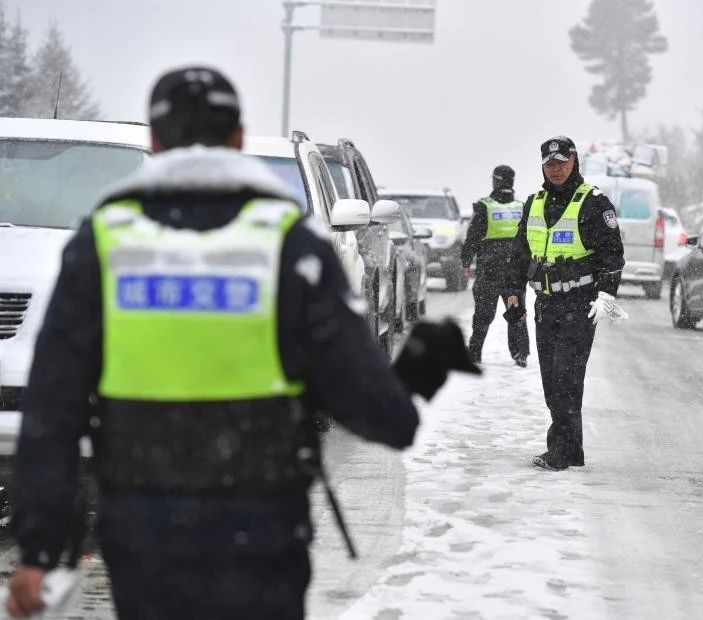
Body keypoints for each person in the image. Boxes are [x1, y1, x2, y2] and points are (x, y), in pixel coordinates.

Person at [6, 66, 476, 619]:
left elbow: (51, 410)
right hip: (260, 530)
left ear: (155, 143)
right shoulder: (291, 248)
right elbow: (382, 415)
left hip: (144, 528)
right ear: (237, 140)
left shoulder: (104, 245)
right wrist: (419, 362)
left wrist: (38, 552)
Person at [506, 136, 626, 471]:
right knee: (551, 382)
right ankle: (573, 450)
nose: (556, 169)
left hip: (579, 302)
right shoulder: (534, 203)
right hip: (545, 303)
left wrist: (606, 295)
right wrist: (514, 289)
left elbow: (612, 256)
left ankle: (559, 451)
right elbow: (519, 253)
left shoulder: (593, 203)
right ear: (543, 166)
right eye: (550, 164)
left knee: (566, 380)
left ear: (574, 161)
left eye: (561, 162)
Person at [461, 165, 530, 366]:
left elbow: (473, 236)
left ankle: (474, 353)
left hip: (489, 269)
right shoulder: (522, 207)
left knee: (483, 315)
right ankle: (520, 354)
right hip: (515, 272)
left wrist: (466, 260)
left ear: (496, 181)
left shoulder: (484, 206)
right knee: (516, 312)